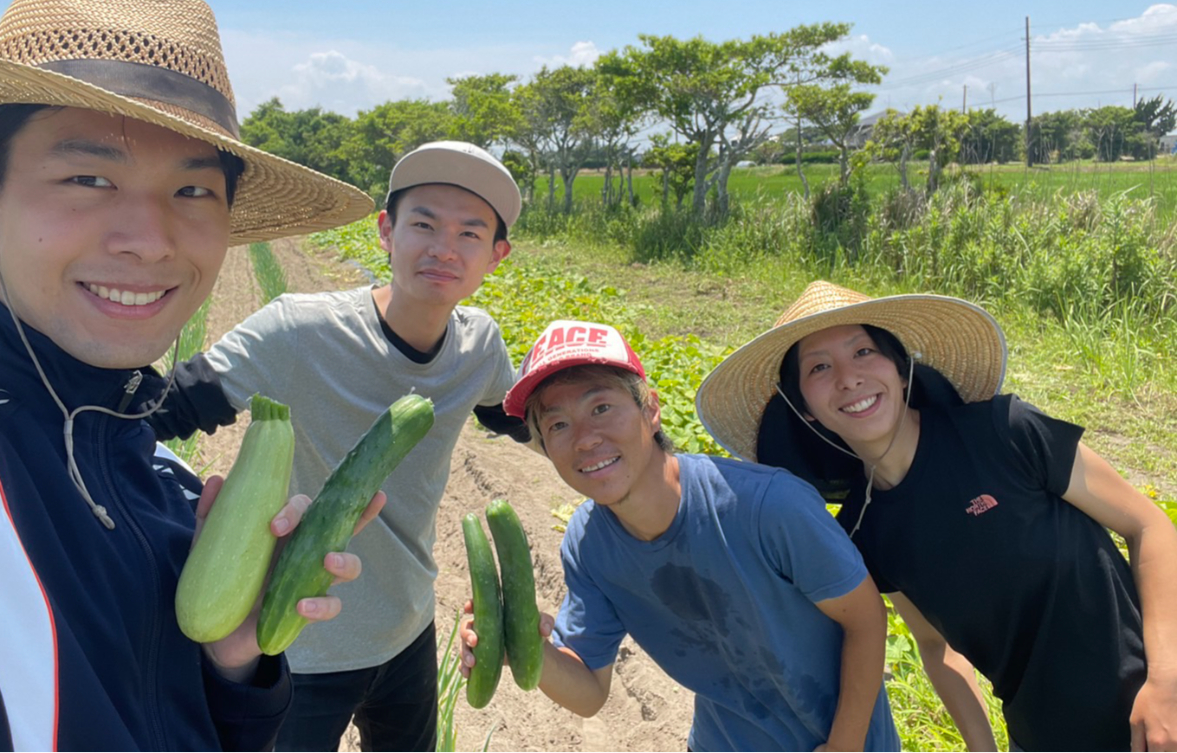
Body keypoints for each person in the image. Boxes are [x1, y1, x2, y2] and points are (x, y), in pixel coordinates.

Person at [0, 0, 380, 750]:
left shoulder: (172, 494)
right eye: (88, 178)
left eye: (192, 193)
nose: (150, 240)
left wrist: (236, 667)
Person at [147, 140, 529, 751]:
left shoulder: (480, 346)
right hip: (298, 641)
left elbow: (521, 421)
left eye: (469, 234)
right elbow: (162, 409)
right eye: (423, 224)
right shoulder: (299, 329)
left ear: (496, 256)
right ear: (386, 231)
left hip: (408, 630)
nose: (442, 248)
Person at [695, 280, 1177, 752]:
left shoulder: (1002, 433)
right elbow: (934, 646)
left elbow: (1150, 526)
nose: (848, 377)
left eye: (863, 352)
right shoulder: (864, 536)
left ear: (901, 368)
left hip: (1157, 705)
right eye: (819, 367)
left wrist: (1164, 685)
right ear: (806, 409)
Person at [460, 319, 900, 752]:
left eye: (601, 408)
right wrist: (521, 647)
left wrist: (845, 745)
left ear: (651, 410)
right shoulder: (589, 543)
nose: (585, 439)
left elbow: (864, 619)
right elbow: (589, 691)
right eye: (557, 426)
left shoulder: (765, 506)